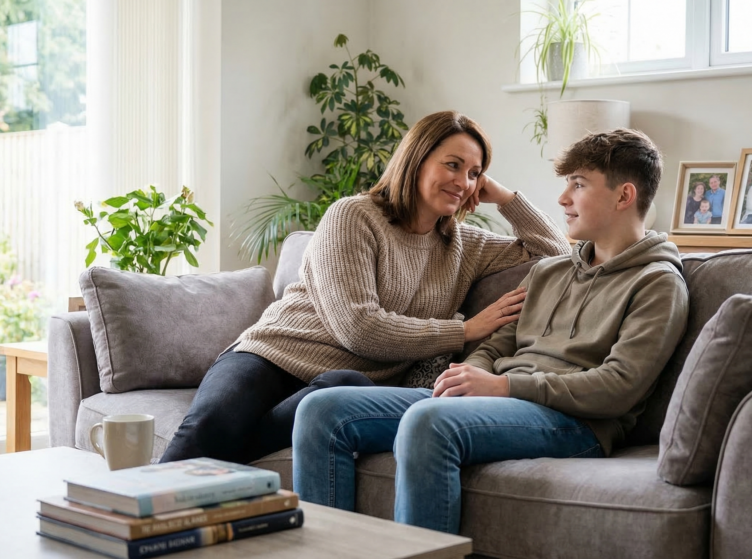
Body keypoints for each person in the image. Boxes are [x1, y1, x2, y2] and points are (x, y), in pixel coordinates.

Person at [292, 128, 689, 534]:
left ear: (624, 196)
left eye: (579, 184)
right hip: (499, 400)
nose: (563, 198)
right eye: (566, 184)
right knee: (322, 410)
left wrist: (504, 388)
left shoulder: (657, 283)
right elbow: (499, 342)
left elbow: (619, 387)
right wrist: (470, 377)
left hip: (576, 422)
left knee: (428, 422)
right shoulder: (549, 271)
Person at [159, 111, 571, 465]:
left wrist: (505, 197)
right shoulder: (353, 216)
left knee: (343, 386)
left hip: (341, 382)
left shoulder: (465, 244)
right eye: (452, 165)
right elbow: (358, 327)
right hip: (270, 356)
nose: (463, 181)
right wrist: (464, 331)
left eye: (475, 173)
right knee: (209, 427)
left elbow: (552, 252)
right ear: (417, 159)